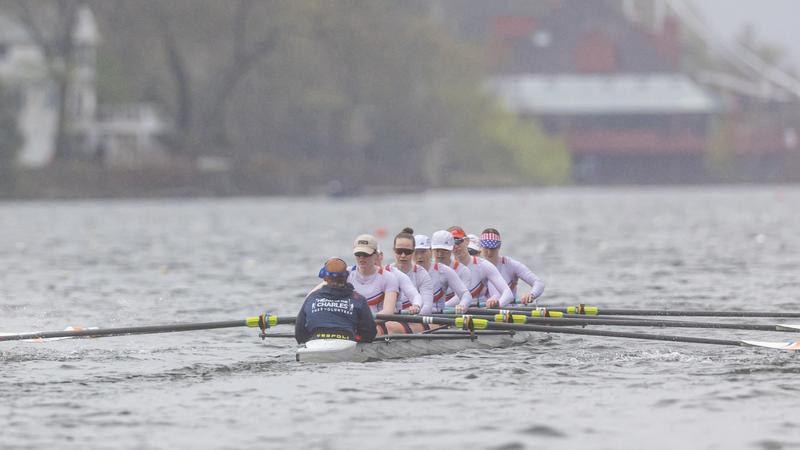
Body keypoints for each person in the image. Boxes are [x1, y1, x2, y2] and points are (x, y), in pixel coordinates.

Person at [295, 257, 377, 344]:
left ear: (325, 278)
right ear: (346, 277)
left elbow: (299, 333)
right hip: (347, 344)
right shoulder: (359, 300)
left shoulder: (312, 298)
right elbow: (369, 333)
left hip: (315, 344)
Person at [346, 234, 408, 335]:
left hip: (378, 323)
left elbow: (388, 312)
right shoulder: (346, 273)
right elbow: (314, 294)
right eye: (358, 254)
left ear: (376, 255)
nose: (361, 258)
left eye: (366, 254)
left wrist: (361, 323)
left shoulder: (388, 277)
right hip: (351, 324)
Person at [448, 226, 514, 308]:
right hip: (452, 314)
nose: (455, 246)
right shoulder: (445, 269)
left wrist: (498, 304)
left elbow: (507, 293)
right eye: (451, 243)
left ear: (466, 241)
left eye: (458, 241)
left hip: (479, 315)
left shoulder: (484, 266)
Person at [480, 228, 545, 304]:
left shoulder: (511, 265)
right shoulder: (476, 267)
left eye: (492, 248)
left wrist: (531, 294)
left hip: (509, 311)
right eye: (486, 248)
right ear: (481, 247)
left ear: (499, 247)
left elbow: (539, 283)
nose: (489, 252)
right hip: (485, 312)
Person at [423, 230, 473, 313]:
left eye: (444, 250)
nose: (440, 254)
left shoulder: (462, 271)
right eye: (437, 250)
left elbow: (465, 295)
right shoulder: (422, 269)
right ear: (431, 250)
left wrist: (462, 305)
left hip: (446, 314)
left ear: (452, 249)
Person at [386, 227, 433, 316]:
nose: (403, 255)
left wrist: (416, 310)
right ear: (393, 251)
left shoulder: (422, 274)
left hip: (415, 319)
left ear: (413, 252)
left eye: (407, 252)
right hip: (390, 319)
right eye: (399, 251)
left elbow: (427, 307)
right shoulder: (386, 272)